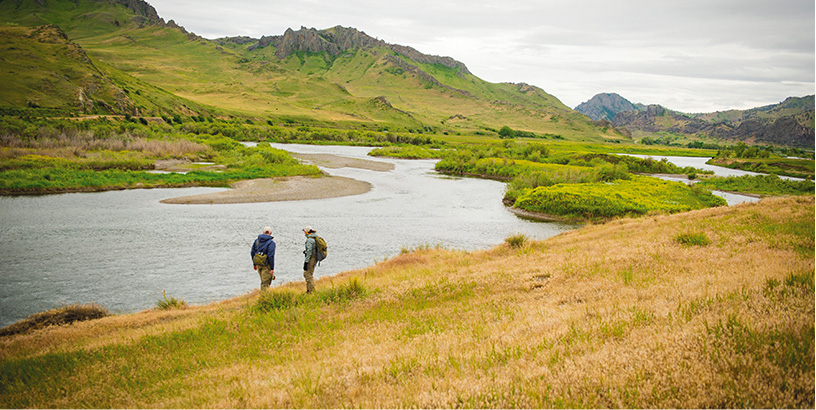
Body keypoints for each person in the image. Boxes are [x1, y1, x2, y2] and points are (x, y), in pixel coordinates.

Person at [302, 225, 318, 293]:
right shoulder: (314, 238)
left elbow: (309, 252)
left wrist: (306, 262)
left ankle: (311, 290)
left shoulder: (309, 240)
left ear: (306, 232)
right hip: (314, 258)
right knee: (309, 274)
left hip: (311, 259)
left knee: (307, 274)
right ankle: (309, 290)